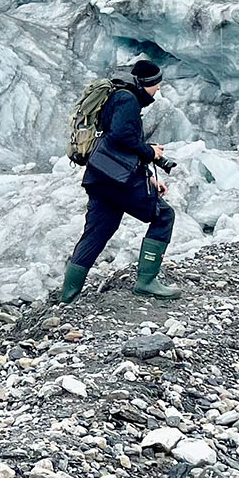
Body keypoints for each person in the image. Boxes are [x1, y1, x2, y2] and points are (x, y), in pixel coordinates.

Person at [60, 57, 177, 302]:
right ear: (145, 83)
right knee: (163, 215)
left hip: (101, 177)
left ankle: (68, 296)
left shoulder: (119, 96)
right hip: (117, 180)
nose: (158, 89)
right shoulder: (127, 99)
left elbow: (117, 145)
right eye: (157, 84)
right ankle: (146, 281)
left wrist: (148, 177)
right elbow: (121, 136)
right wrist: (150, 152)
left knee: (98, 232)